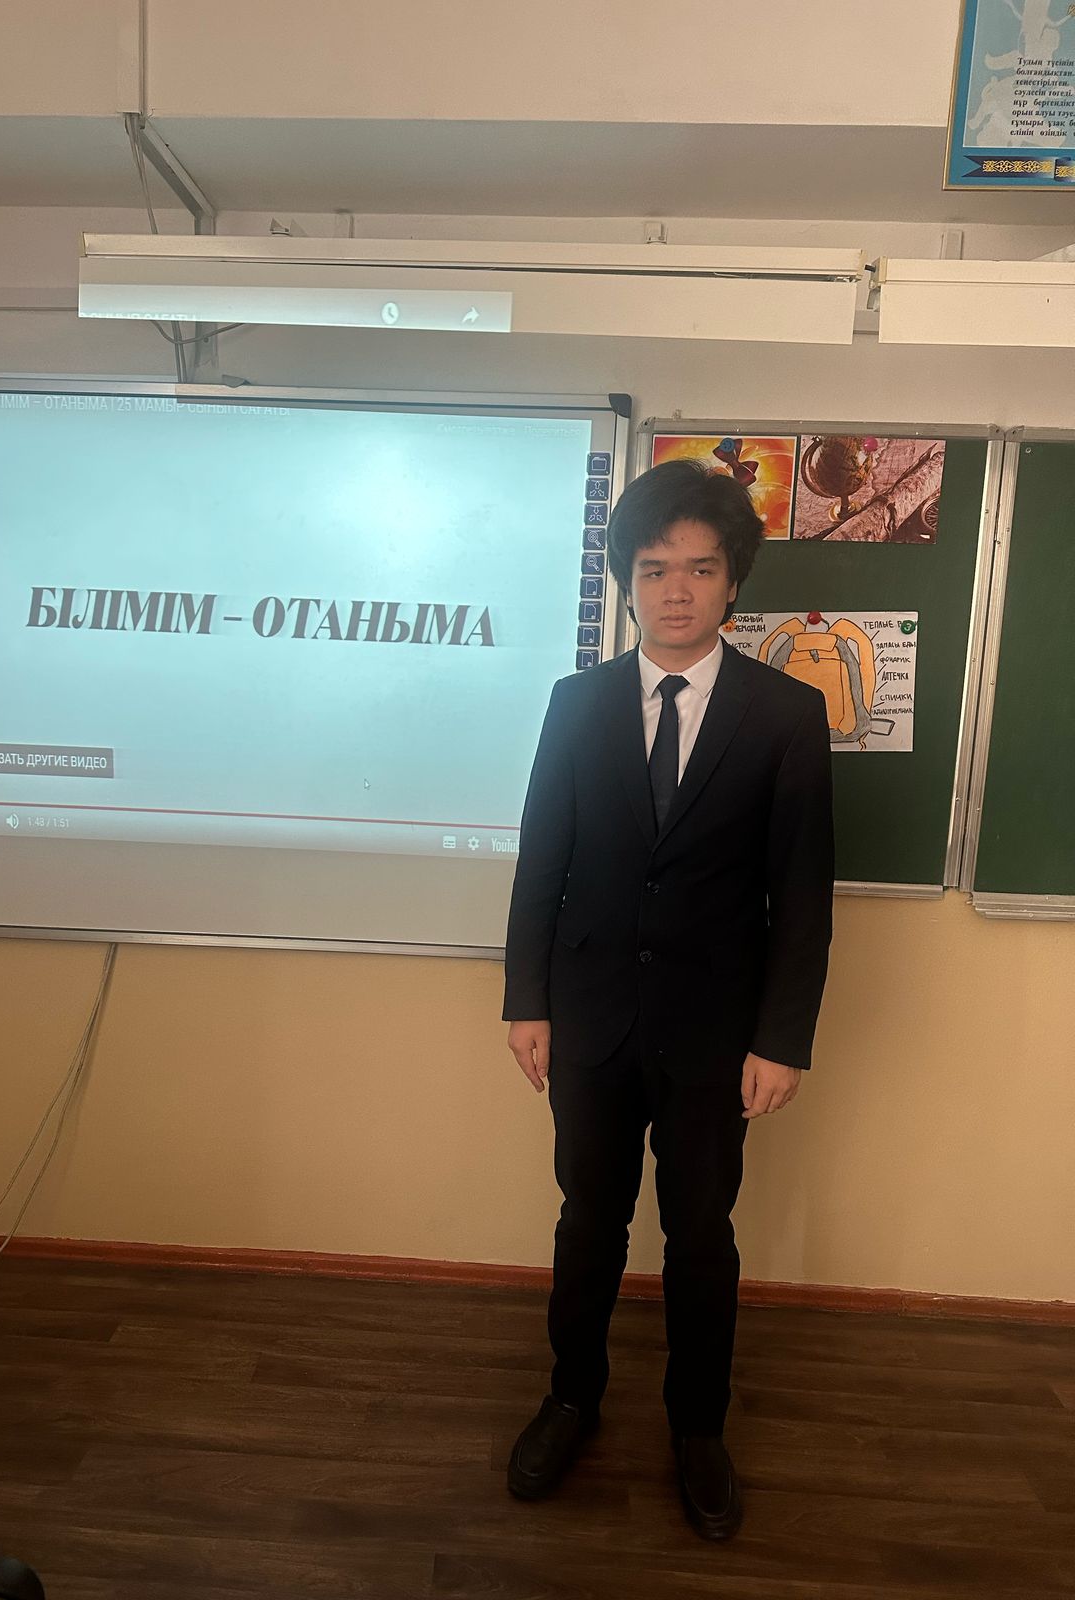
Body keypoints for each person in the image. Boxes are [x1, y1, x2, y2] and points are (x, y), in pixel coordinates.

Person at [501, 458, 834, 1541]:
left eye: (699, 567)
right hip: (590, 1023)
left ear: (733, 579)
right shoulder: (577, 703)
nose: (676, 590)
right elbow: (542, 859)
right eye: (654, 568)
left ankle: (698, 1426)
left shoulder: (787, 714)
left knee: (699, 1234)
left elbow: (803, 893)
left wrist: (782, 1039)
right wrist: (526, 1000)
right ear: (627, 580)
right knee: (587, 1221)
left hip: (715, 1036)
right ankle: (571, 1398)